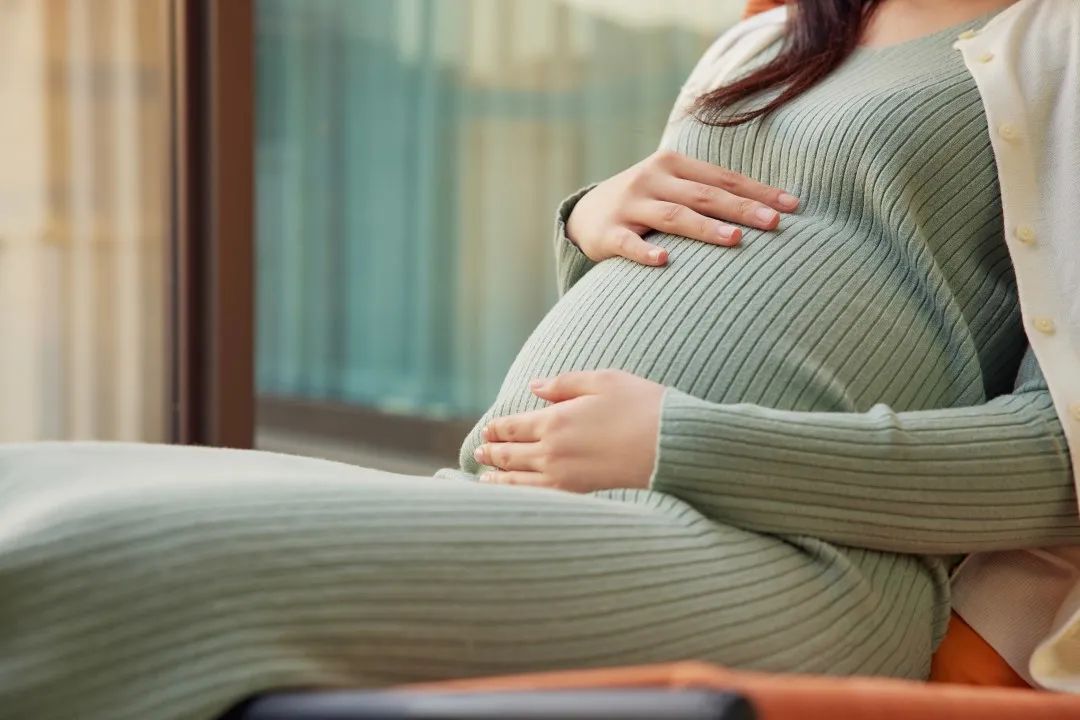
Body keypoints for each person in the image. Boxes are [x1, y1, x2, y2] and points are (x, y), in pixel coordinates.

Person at [2, 1, 1077, 718]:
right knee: (26, 482)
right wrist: (590, 225)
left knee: (98, 558)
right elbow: (696, 289)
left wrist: (679, 446)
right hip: (541, 502)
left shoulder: (1059, 40)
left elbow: (1060, 466)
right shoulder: (775, 36)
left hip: (779, 559)